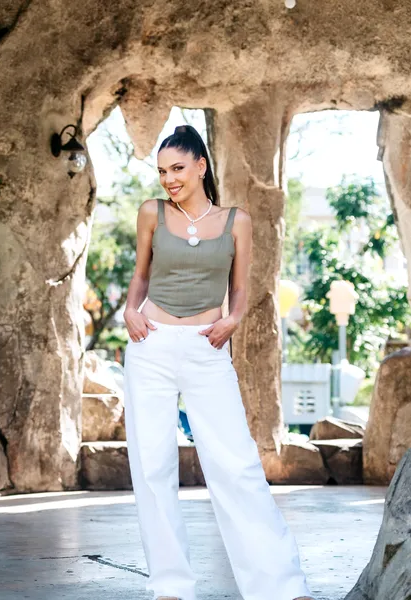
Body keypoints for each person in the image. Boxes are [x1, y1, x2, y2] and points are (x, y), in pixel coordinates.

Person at [122, 124, 314, 600]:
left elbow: (241, 286)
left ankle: (281, 586)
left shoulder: (236, 221)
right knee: (152, 467)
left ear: (201, 166)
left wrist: (234, 319)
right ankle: (170, 587)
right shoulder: (151, 213)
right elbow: (141, 275)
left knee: (237, 465)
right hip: (151, 345)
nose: (169, 179)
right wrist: (129, 310)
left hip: (207, 348)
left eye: (177, 168)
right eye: (162, 171)